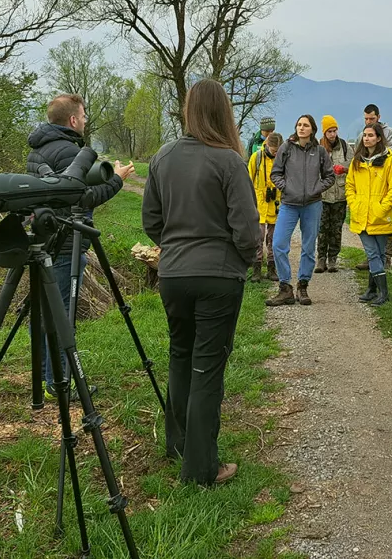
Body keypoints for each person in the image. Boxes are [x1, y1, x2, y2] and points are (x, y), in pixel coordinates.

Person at [141, 79, 261, 486]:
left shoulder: (163, 156)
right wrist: (246, 257)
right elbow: (247, 228)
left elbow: (152, 221)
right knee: (207, 368)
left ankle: (178, 444)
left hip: (173, 274)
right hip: (218, 276)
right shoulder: (228, 161)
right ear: (224, 113)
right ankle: (201, 469)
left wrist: (174, 248)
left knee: (180, 356)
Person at [27, 93, 134, 400]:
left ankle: (48, 377)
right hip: (64, 242)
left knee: (45, 311)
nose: (85, 120)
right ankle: (59, 383)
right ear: (73, 120)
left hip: (43, 238)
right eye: (84, 116)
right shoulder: (67, 152)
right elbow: (81, 198)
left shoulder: (39, 148)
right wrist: (117, 180)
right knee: (62, 314)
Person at [267, 115, 336, 306]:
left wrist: (317, 188)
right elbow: (275, 173)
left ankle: (303, 286)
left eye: (305, 125)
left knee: (308, 248)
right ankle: (285, 288)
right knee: (278, 244)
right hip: (289, 204)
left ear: (312, 129)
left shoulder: (320, 151)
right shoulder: (286, 148)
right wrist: (286, 187)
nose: (301, 128)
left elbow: (329, 176)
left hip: (312, 205)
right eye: (299, 124)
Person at [346, 123, 392, 306]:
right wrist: (355, 205)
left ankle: (373, 290)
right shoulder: (357, 161)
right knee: (372, 254)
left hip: (380, 217)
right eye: (365, 135)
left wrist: (380, 208)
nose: (367, 138)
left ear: (379, 138)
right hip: (362, 215)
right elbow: (350, 186)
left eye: (371, 135)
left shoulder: (389, 161)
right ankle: (383, 293)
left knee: (377, 254)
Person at [354, 104, 392, 270]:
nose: (368, 121)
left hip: (382, 185)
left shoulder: (390, 133)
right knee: (368, 233)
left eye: (371, 119)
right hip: (365, 191)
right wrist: (354, 203)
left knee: (385, 231)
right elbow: (358, 155)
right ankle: (371, 262)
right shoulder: (362, 135)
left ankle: (386, 259)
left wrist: (379, 156)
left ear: (378, 117)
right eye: (366, 119)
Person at [248, 132, 284, 282]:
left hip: (276, 204)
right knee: (258, 238)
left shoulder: (282, 159)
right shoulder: (256, 158)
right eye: (273, 150)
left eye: (278, 150)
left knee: (274, 239)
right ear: (267, 145)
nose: (275, 152)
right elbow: (248, 180)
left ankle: (271, 268)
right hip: (259, 204)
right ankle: (256, 269)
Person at [317, 115, 351, 274]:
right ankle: (321, 259)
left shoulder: (344, 146)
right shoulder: (317, 147)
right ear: (324, 132)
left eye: (334, 130)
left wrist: (343, 168)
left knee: (336, 229)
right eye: (329, 131)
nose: (332, 134)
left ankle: (332, 259)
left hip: (340, 195)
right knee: (322, 229)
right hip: (322, 196)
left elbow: (353, 164)